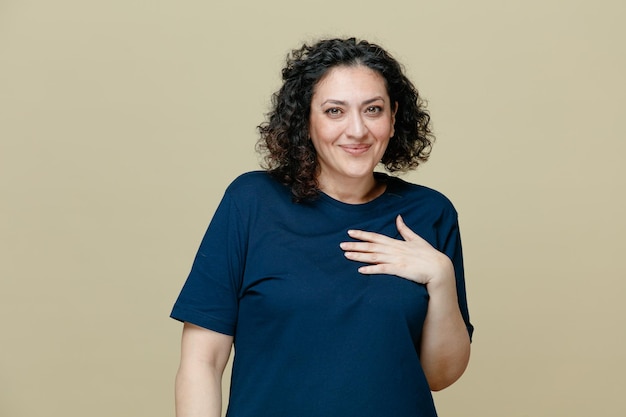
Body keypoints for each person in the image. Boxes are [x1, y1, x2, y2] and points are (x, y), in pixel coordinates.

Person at [171, 37, 473, 417]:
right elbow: (202, 362)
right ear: (306, 121)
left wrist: (441, 277)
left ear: (394, 117)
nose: (358, 130)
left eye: (373, 109)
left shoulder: (430, 212)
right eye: (334, 111)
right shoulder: (251, 202)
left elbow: (439, 375)